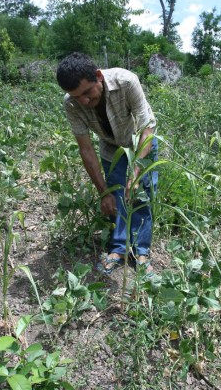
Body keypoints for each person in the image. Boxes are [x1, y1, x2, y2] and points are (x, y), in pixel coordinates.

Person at [56, 52, 158, 277]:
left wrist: (136, 172)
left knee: (140, 195)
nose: (83, 101)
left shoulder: (126, 81)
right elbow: (86, 149)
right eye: (76, 96)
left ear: (98, 76)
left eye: (87, 92)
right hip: (111, 147)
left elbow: (146, 128)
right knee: (115, 197)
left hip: (141, 142)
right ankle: (119, 247)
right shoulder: (71, 104)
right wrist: (103, 192)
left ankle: (141, 252)